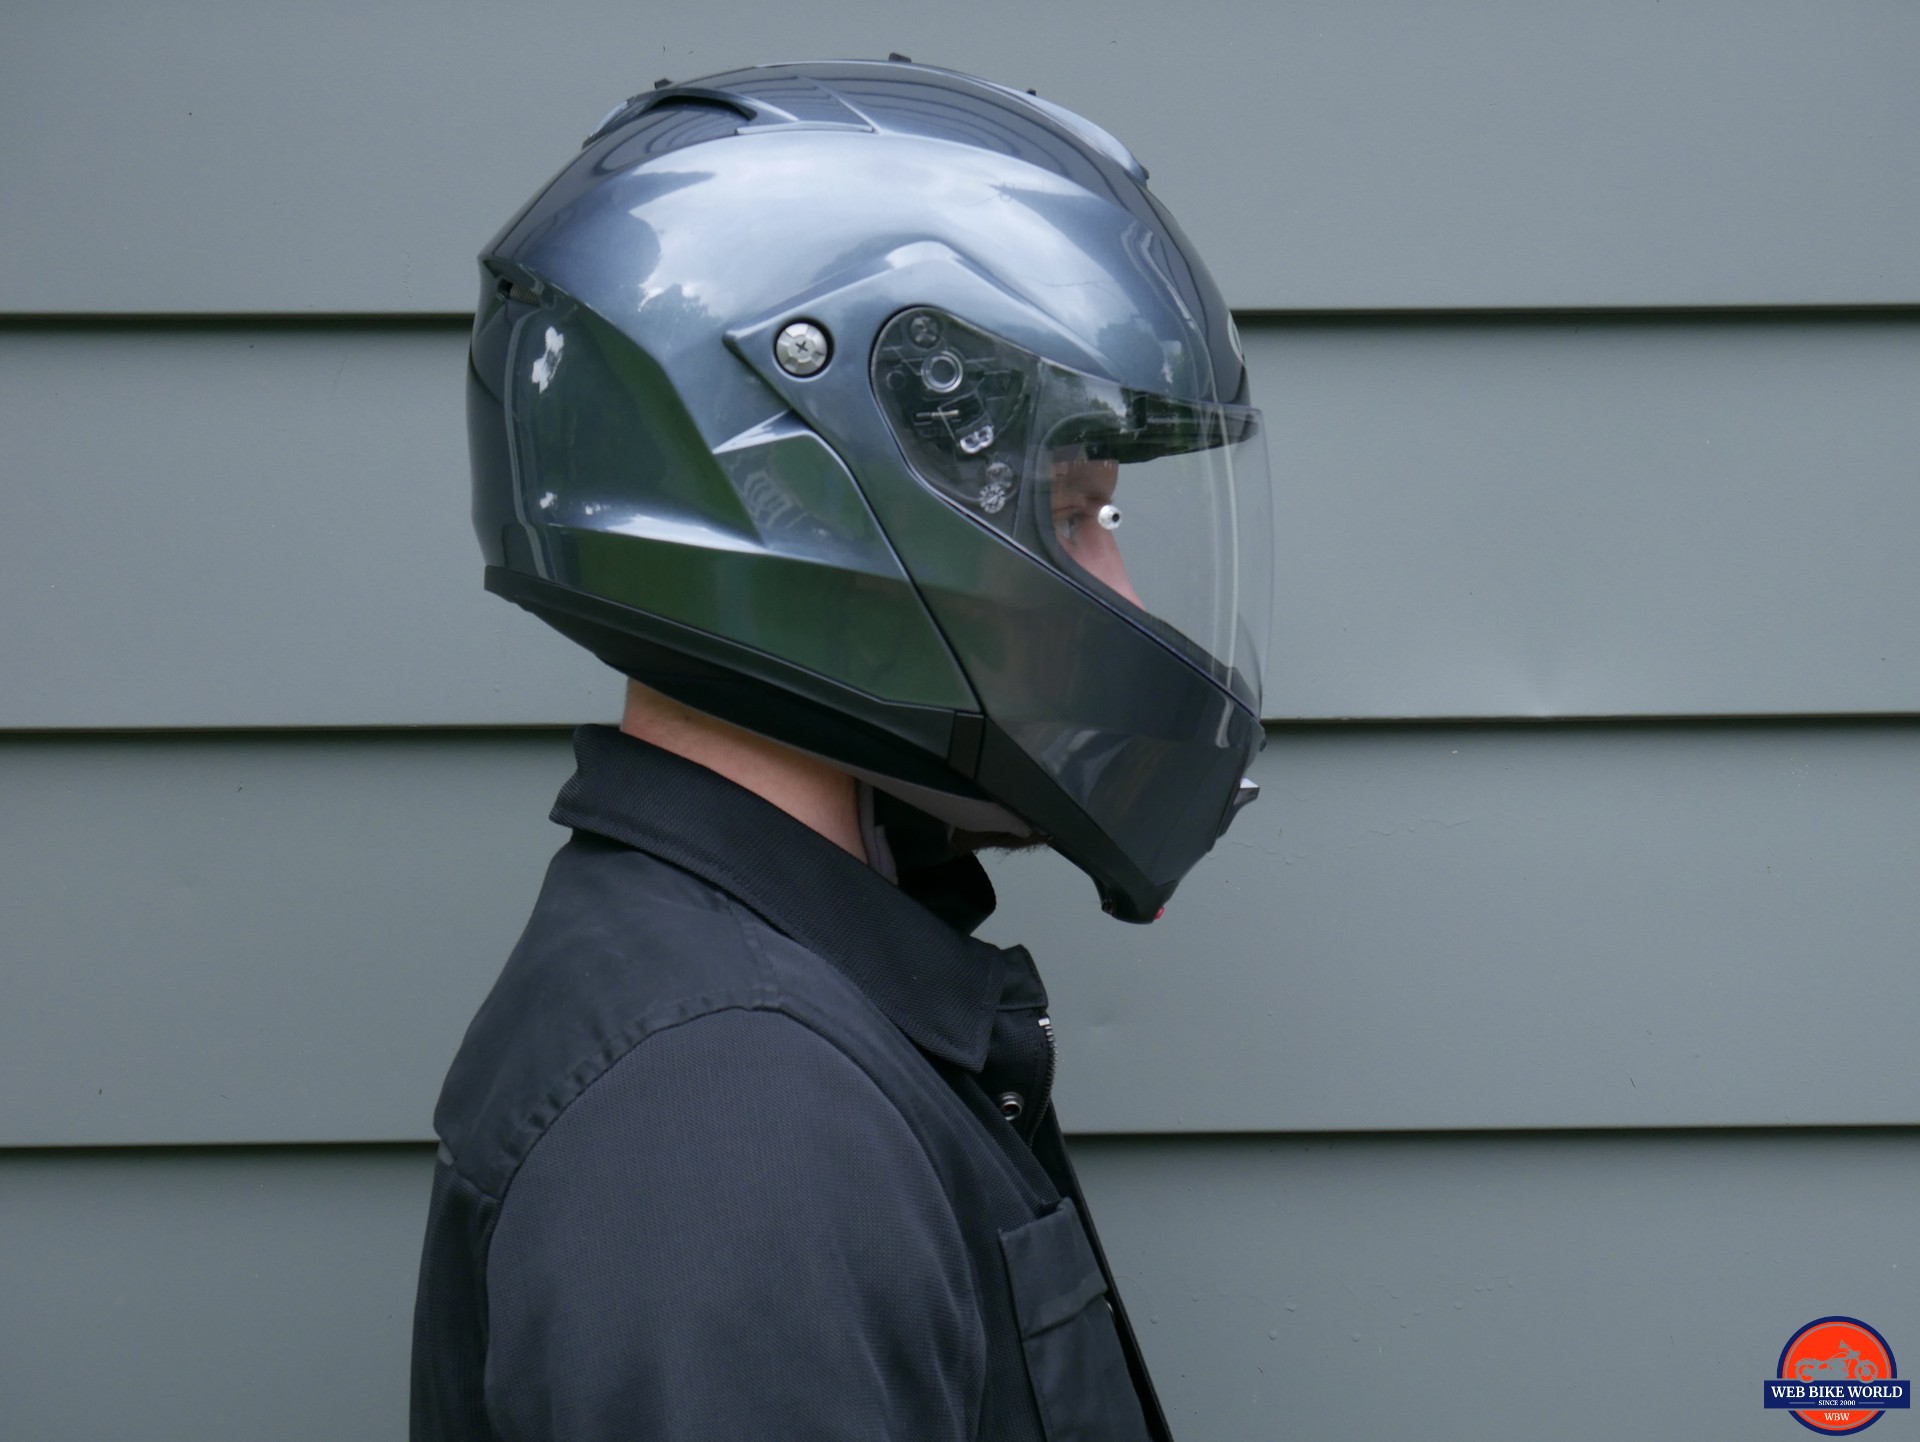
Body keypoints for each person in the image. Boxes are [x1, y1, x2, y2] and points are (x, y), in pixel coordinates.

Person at [410, 58, 1272, 1441]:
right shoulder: (727, 1130)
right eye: (1075, 511)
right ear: (825, 508)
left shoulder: (758, 1024)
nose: (1118, 591)